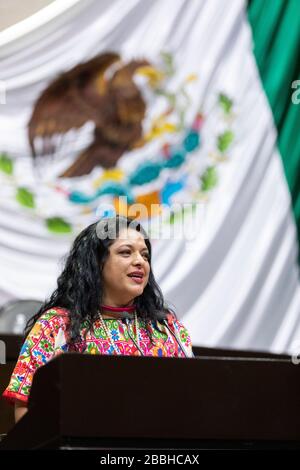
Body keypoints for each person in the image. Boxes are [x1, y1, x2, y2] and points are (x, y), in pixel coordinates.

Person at [3, 215, 194, 423]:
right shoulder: (56, 325)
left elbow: (194, 399)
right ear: (96, 262)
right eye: (126, 252)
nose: (140, 261)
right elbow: (26, 411)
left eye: (145, 255)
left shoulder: (167, 328)